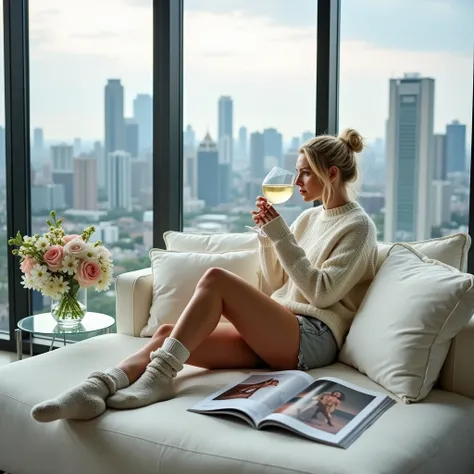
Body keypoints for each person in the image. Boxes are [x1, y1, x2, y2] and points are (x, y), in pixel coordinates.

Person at [31, 128, 378, 423]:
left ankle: (160, 378)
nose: (297, 180)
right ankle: (97, 387)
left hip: (313, 337)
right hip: (282, 326)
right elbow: (277, 284)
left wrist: (281, 236)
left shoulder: (358, 226)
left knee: (216, 280)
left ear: (331, 174)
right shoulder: (308, 219)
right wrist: (268, 239)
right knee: (168, 334)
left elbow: (321, 294)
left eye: (305, 172)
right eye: (297, 171)